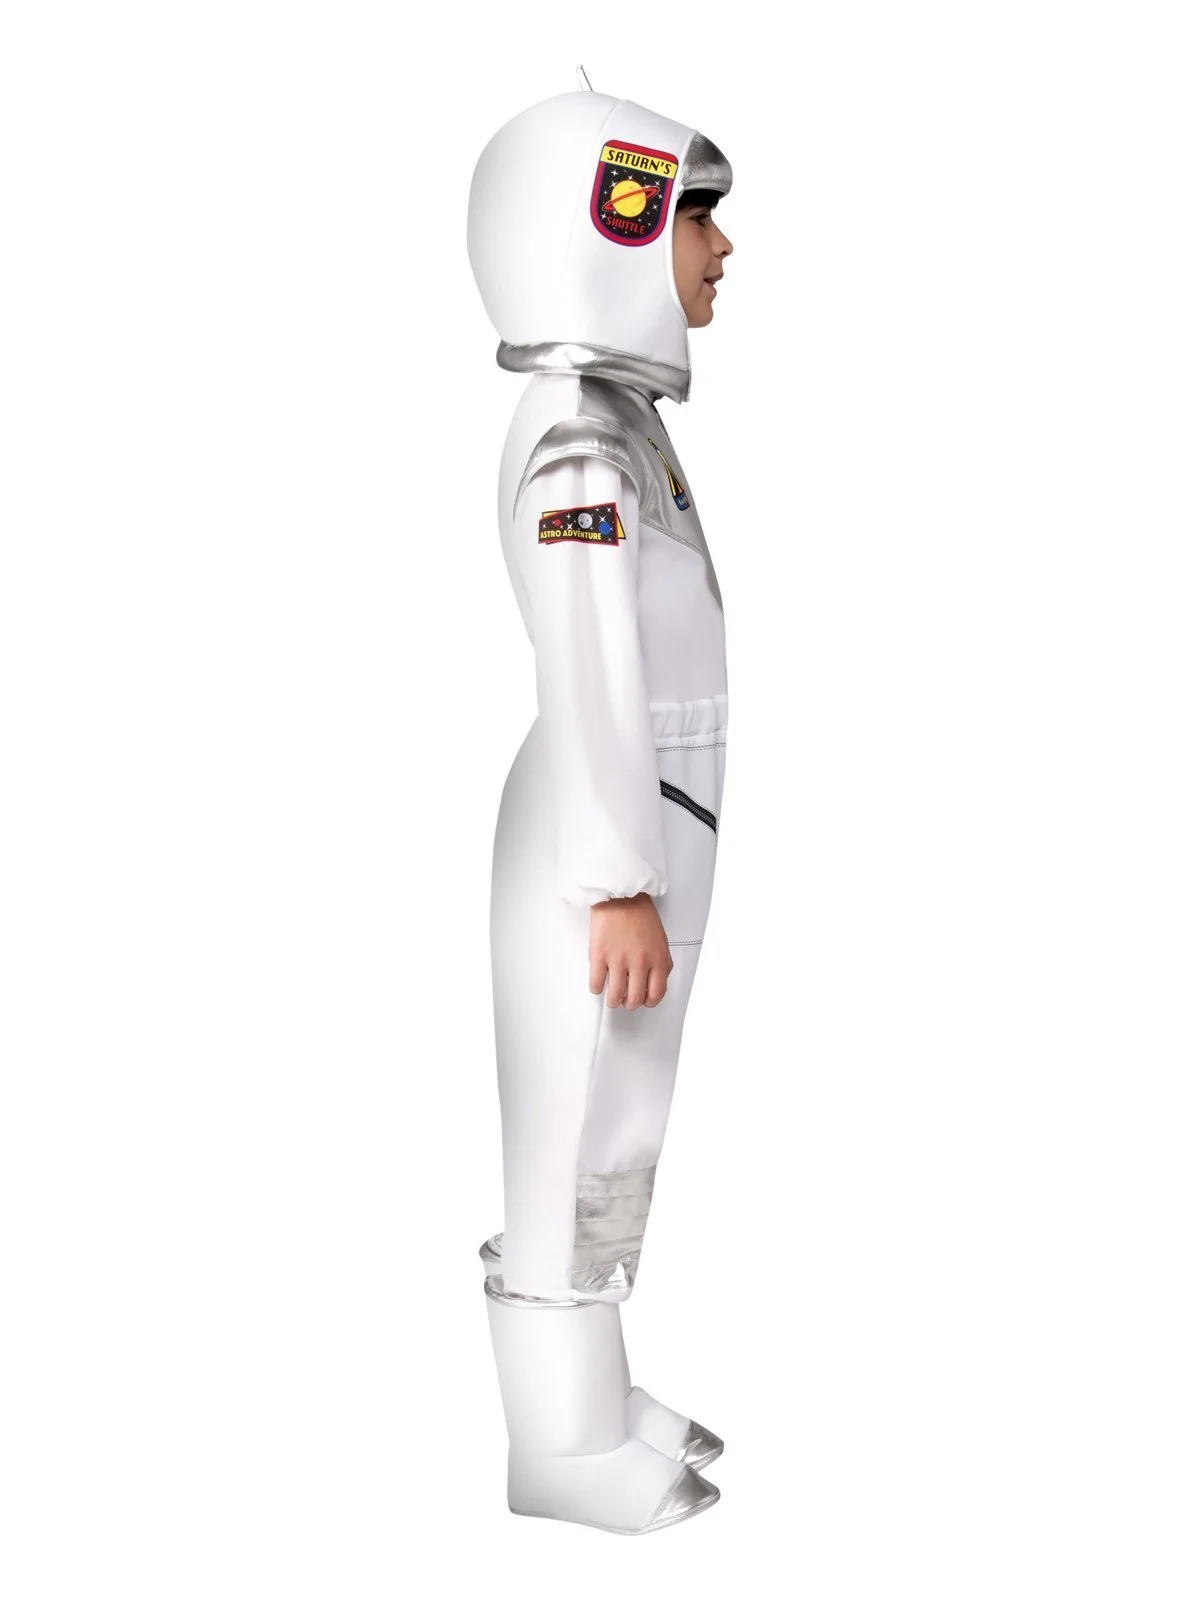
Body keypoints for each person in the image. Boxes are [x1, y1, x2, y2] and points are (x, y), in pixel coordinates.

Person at [467, 81, 735, 1536]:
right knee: (576, 1128)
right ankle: (558, 1448)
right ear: (610, 231)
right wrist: (619, 878)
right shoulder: (580, 441)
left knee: (611, 1116)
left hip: (631, 824)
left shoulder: (612, 422)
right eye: (695, 217)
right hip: (603, 846)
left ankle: (590, 1394)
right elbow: (590, 664)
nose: (720, 247)